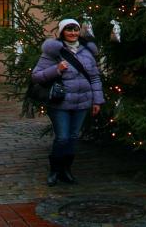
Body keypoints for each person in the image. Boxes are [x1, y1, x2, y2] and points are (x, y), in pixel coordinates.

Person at [31, 17, 104, 186]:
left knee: (72, 137)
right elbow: (36, 76)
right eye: (69, 30)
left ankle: (66, 170)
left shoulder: (87, 51)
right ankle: (54, 171)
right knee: (62, 138)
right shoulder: (53, 51)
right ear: (62, 32)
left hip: (82, 103)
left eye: (75, 30)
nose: (73, 33)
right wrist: (57, 69)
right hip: (60, 103)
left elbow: (94, 78)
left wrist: (97, 101)